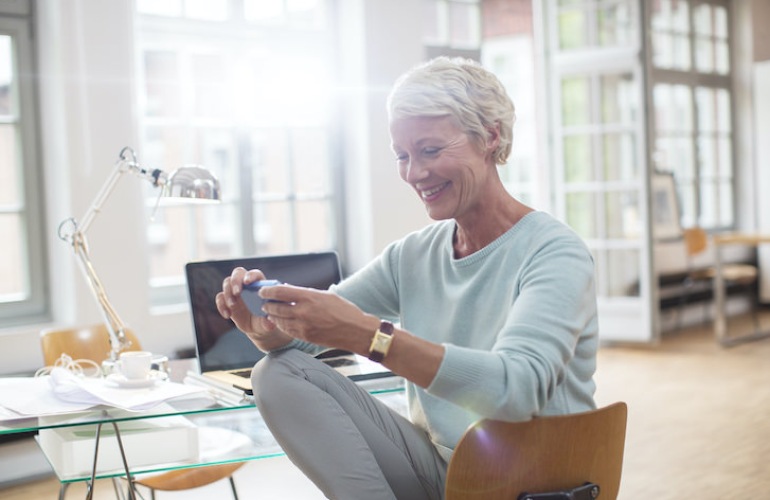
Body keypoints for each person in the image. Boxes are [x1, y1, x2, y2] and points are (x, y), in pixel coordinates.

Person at [215, 56, 598, 500]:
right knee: (277, 372)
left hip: (532, 484)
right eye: (402, 155)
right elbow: (308, 339)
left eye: (431, 150)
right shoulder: (414, 254)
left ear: (490, 137)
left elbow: (515, 391)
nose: (414, 173)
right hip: (445, 473)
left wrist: (369, 336)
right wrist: (266, 329)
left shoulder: (554, 251)